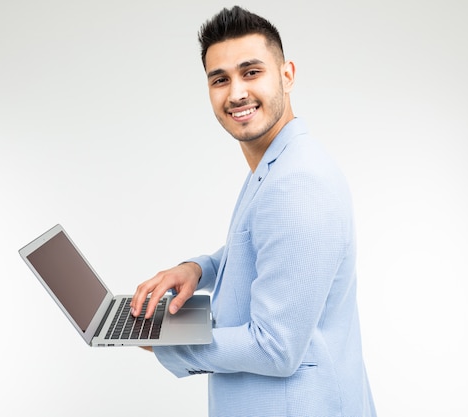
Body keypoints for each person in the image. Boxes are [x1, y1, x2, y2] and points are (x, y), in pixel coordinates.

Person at [130, 6, 376, 417]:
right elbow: (272, 248)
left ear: (287, 74)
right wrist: (198, 268)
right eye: (220, 79)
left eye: (251, 72)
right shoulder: (277, 163)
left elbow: (276, 347)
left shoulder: (298, 183)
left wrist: (167, 341)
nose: (236, 93)